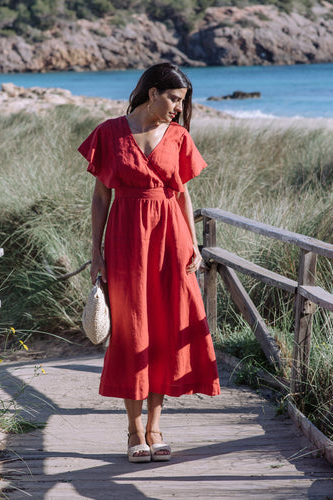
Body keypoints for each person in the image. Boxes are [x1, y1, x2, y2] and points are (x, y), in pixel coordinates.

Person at [78, 62, 220, 463]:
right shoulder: (109, 132)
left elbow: (181, 194)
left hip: (171, 239)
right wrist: (96, 252)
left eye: (182, 102)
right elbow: (101, 197)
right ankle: (133, 430)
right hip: (125, 240)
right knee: (131, 331)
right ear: (152, 92)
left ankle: (155, 426)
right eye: (174, 99)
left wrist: (192, 243)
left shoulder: (178, 136)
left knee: (164, 329)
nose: (178, 108)